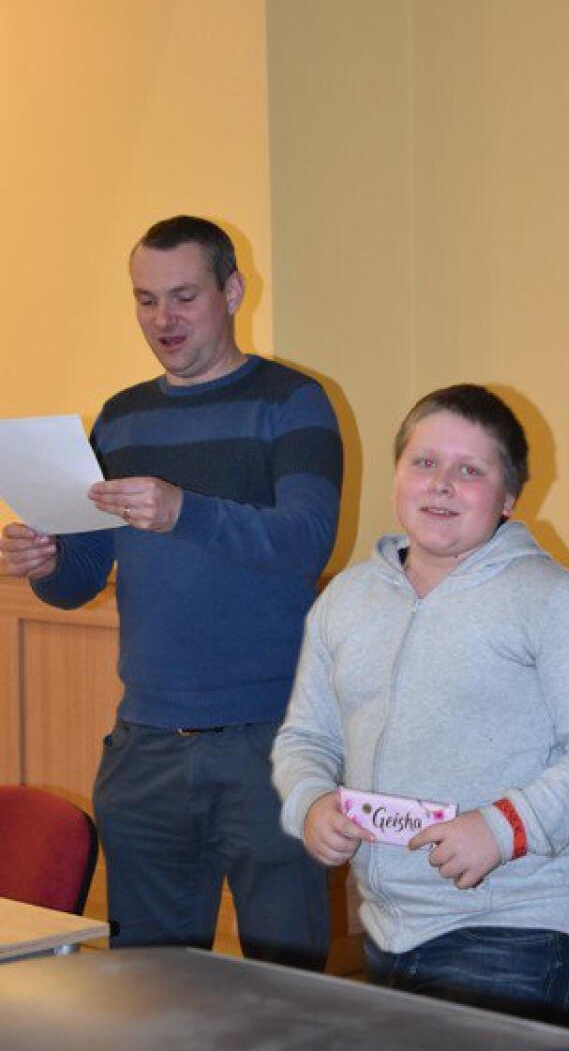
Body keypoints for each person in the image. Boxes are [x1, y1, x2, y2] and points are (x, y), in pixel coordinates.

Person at [0, 216, 342, 970]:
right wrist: (45, 560)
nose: (164, 319)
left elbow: (306, 539)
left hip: (271, 743)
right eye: (146, 299)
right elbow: (78, 580)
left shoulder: (292, 401)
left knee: (287, 992)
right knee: (148, 990)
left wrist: (185, 510)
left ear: (233, 291)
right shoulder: (122, 418)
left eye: (184, 296)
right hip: (145, 747)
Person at [272, 383, 569, 1024]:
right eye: (424, 462)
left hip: (515, 926)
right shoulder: (346, 600)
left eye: (470, 471)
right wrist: (309, 802)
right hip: (386, 924)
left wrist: (502, 828)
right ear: (397, 475)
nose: (441, 483)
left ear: (508, 497)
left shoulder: (552, 600)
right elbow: (305, 738)